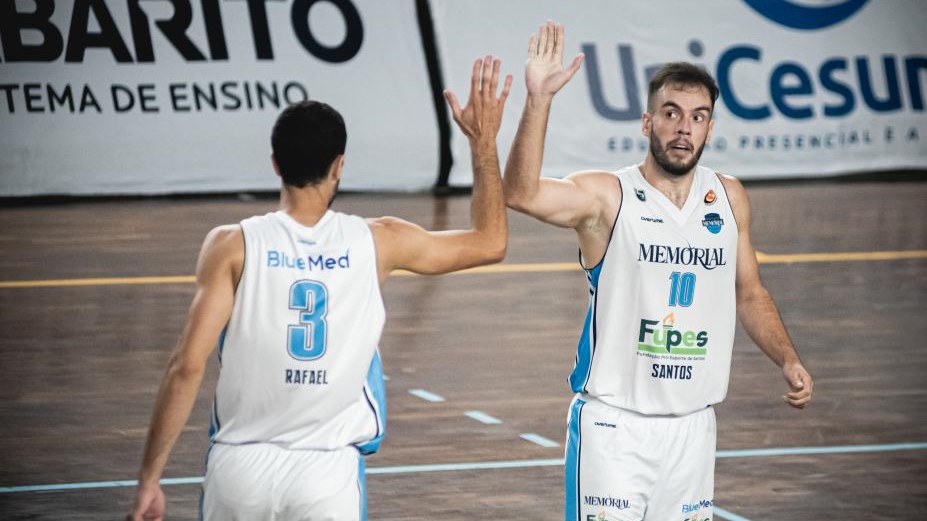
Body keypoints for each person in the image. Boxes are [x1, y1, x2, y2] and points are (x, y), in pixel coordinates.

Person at [127, 55, 512, 521]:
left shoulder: (231, 245)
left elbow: (187, 367)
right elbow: (490, 242)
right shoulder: (379, 241)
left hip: (238, 469)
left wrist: (150, 478)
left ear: (274, 163)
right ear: (339, 166)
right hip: (326, 475)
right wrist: (483, 142)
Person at [503, 21, 814, 521]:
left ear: (711, 127)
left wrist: (788, 358)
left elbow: (749, 293)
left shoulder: (729, 198)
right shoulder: (607, 195)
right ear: (647, 123)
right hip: (614, 429)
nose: (684, 128)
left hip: (693, 429)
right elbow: (520, 194)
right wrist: (538, 99)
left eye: (698, 116)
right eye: (671, 114)